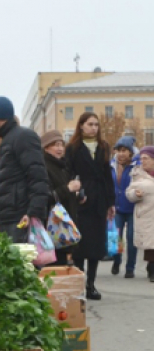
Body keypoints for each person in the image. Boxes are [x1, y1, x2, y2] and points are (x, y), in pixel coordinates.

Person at [64, 112, 116, 300]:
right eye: (90, 124)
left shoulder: (103, 146)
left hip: (99, 200)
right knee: (80, 245)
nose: (94, 128)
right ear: (81, 126)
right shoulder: (73, 148)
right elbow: (68, 172)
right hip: (81, 201)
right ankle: (79, 284)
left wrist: (111, 202)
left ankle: (91, 285)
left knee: (95, 246)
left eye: (96, 125)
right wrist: (75, 191)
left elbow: (107, 175)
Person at [0, 96, 51, 242]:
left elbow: (37, 176)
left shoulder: (23, 137)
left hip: (20, 216)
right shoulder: (7, 140)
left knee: (25, 261)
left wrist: (33, 212)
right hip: (8, 216)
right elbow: (3, 183)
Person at [41, 130, 81, 267]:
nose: (60, 149)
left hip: (62, 226)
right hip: (52, 226)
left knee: (61, 263)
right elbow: (46, 196)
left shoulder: (62, 165)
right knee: (53, 265)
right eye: (55, 145)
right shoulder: (44, 167)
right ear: (46, 147)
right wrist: (68, 189)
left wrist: (77, 195)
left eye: (61, 145)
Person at [111, 136, 139, 278]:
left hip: (133, 208)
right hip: (117, 208)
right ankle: (117, 261)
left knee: (131, 238)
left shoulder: (137, 166)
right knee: (116, 238)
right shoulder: (111, 165)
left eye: (124, 150)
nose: (121, 154)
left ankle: (130, 268)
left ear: (130, 152)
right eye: (118, 151)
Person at [126, 146, 154, 282]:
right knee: (150, 245)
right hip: (146, 214)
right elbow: (129, 193)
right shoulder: (137, 174)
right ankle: (152, 269)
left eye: (146, 158)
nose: (143, 161)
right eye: (141, 158)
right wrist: (135, 195)